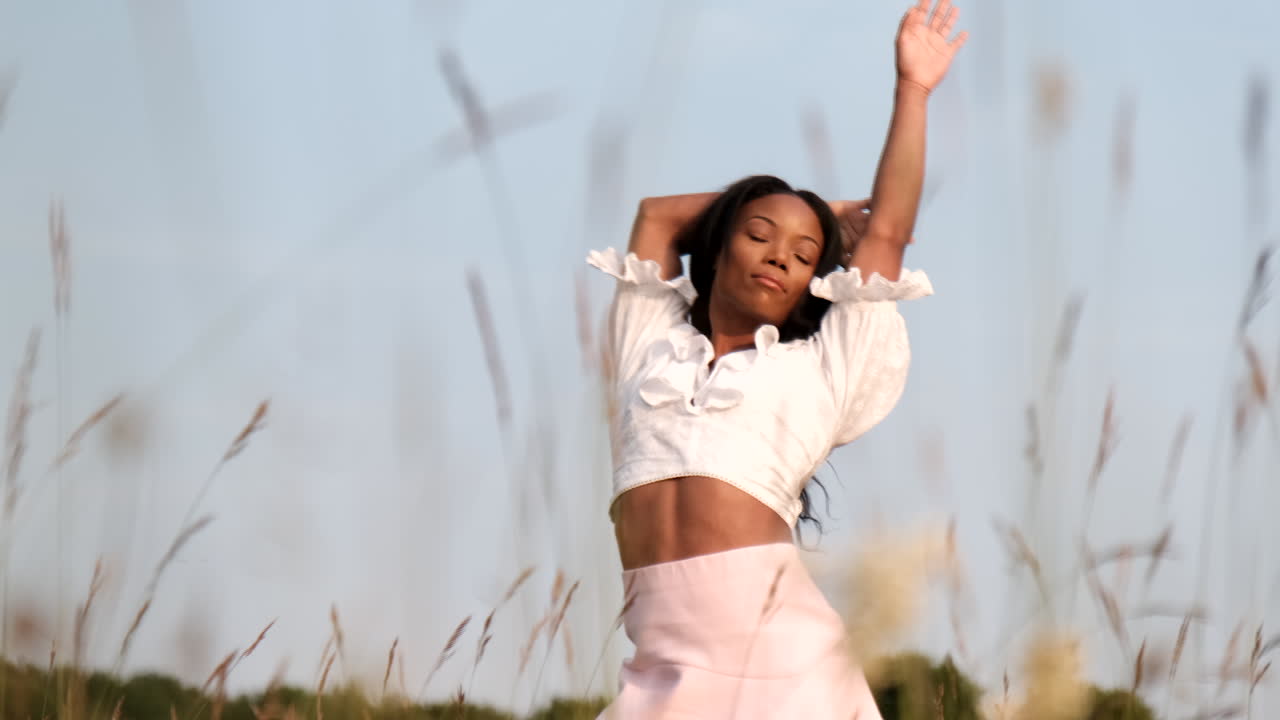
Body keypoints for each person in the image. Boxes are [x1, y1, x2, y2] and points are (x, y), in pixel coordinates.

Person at [586, 2, 966, 717]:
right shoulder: (649, 344)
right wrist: (815, 210)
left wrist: (913, 89)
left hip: (783, 667)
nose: (780, 256)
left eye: (804, 253)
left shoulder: (818, 369)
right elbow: (657, 215)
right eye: (759, 234)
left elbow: (888, 232)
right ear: (719, 245)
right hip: (660, 668)